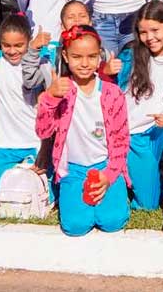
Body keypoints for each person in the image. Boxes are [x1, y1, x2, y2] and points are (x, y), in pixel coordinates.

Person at [37, 25, 132, 236]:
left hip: (105, 166)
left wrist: (109, 175)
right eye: (77, 56)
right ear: (65, 56)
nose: (84, 63)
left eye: (91, 56)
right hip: (73, 169)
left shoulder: (112, 93)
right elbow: (43, 131)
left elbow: (121, 141)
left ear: (100, 56)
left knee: (113, 222)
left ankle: (117, 195)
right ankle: (69, 196)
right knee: (75, 226)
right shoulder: (60, 90)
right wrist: (50, 98)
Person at [115, 1, 163, 211]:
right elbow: (111, 94)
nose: (150, 37)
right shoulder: (129, 56)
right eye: (143, 32)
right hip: (133, 135)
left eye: (155, 30)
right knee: (148, 204)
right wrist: (108, 70)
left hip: (161, 129)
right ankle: (130, 186)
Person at [0, 14, 48, 214]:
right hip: (3, 144)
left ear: (29, 40)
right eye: (6, 45)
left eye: (19, 45)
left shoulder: (40, 62)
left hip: (33, 142)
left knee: (39, 198)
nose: (12, 51)